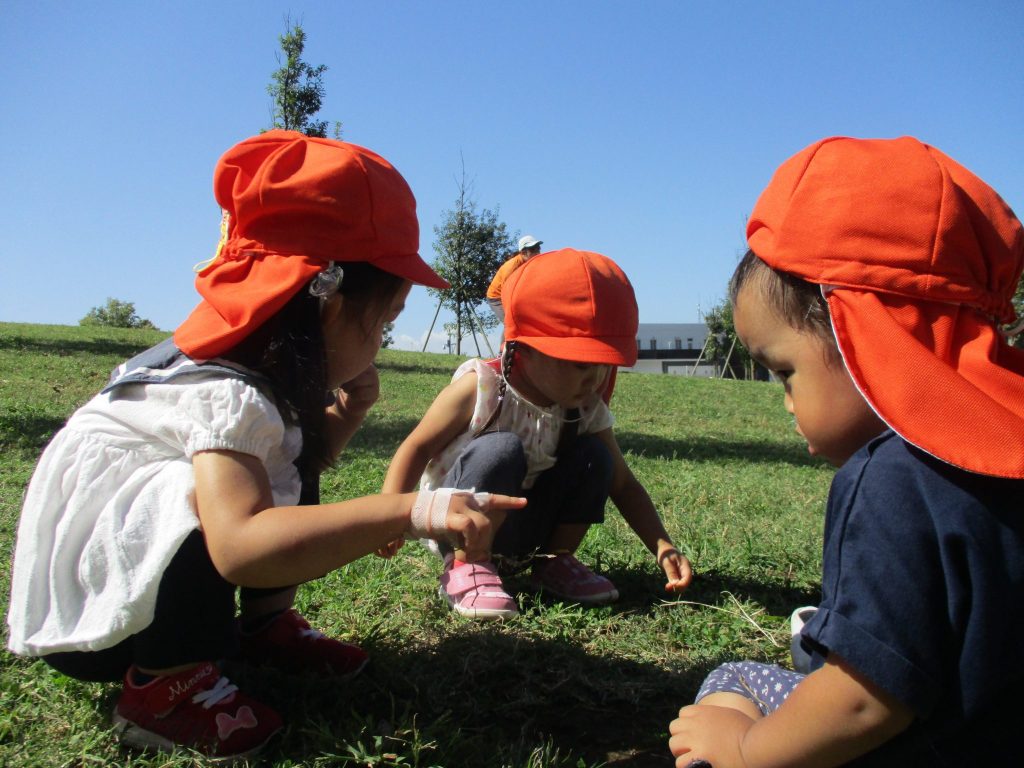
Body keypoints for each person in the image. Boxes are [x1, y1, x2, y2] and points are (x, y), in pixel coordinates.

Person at [5, 130, 526, 761]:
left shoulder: (259, 373)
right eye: (384, 325)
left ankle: (263, 628)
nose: (382, 343)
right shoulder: (227, 390)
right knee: (210, 502)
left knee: (288, 456)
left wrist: (345, 417)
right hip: (104, 615)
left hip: (131, 573)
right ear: (330, 307)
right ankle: (163, 687)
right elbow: (243, 547)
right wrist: (413, 509)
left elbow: (296, 472)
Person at [668, 136, 1024, 767]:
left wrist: (747, 750)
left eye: (783, 371)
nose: (784, 401)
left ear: (860, 333)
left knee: (731, 685)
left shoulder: (890, 478)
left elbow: (865, 701)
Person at [384, 248, 692, 620]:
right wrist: (389, 518)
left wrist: (662, 546)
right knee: (501, 448)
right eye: (580, 363)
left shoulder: (583, 407)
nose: (593, 379)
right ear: (524, 349)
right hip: (458, 520)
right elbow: (416, 448)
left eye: (603, 366)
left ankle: (554, 562)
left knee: (596, 456)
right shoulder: (482, 387)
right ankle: (465, 566)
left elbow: (623, 484)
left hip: (525, 529)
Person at [485, 234, 543, 321]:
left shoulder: (531, 263)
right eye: (532, 249)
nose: (537, 252)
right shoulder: (512, 266)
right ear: (523, 252)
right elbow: (506, 292)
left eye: (538, 248)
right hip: (497, 298)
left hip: (515, 295)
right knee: (510, 322)